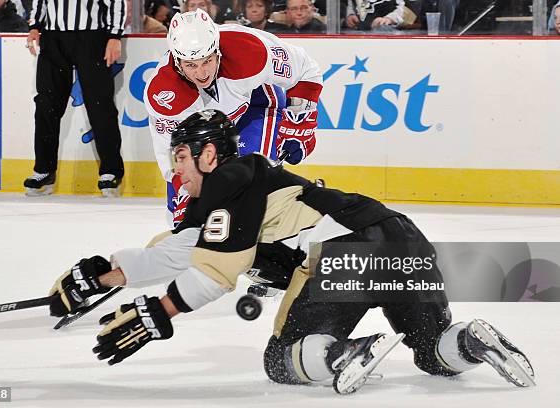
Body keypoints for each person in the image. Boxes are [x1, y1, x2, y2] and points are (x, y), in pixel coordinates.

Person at [48, 109, 536, 394]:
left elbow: (218, 272)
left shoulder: (229, 182)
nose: (176, 171)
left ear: (209, 155)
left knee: (281, 360)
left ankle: (346, 352)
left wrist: (161, 311)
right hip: (402, 238)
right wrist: (106, 276)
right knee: (433, 351)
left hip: (347, 254)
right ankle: (471, 340)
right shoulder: (241, 186)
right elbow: (184, 250)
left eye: (180, 157)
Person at [144, 8, 322, 226]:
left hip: (257, 106)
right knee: (181, 222)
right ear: (177, 62)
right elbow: (171, 151)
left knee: (250, 193)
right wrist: (183, 187)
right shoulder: (163, 94)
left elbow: (306, 70)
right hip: (206, 135)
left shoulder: (250, 51)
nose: (202, 73)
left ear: (217, 51)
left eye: (207, 60)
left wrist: (300, 122)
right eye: (191, 65)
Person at [23, 0, 126, 197]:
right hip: (53, 37)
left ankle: (110, 171)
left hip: (92, 36)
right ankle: (44, 169)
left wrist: (114, 35)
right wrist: (35, 25)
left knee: (100, 105)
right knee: (46, 104)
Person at [343, 0, 408, 31]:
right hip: (359, 36)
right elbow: (350, 5)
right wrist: (350, 15)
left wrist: (389, 19)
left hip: (389, 37)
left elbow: (407, 10)